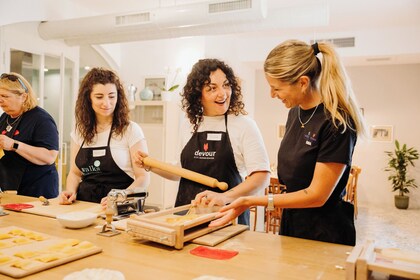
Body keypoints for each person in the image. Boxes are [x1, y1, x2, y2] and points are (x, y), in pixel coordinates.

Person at [209, 40, 367, 246]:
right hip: (292, 223)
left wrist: (251, 200)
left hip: (325, 232)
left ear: (302, 82)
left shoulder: (336, 123)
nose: (272, 95)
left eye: (276, 88)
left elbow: (317, 195)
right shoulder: (295, 113)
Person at [135, 58, 271, 225]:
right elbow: (181, 171)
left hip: (226, 219)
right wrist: (150, 165)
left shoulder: (244, 125)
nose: (222, 93)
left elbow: (261, 176)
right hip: (187, 217)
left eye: (226, 85)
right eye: (212, 88)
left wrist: (224, 197)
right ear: (198, 95)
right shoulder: (189, 125)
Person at [59, 67, 150, 205]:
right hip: (84, 206)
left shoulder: (130, 130)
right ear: (88, 98)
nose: (106, 103)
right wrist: (70, 191)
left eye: (112, 96)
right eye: (99, 97)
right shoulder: (80, 132)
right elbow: (75, 173)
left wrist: (120, 197)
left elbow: (143, 177)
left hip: (120, 209)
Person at [0, 72, 59, 198]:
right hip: (13, 187)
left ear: (24, 96)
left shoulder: (41, 119)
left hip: (39, 189)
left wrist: (14, 145)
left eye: (5, 96)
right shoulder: (4, 118)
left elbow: (49, 157)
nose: (0, 100)